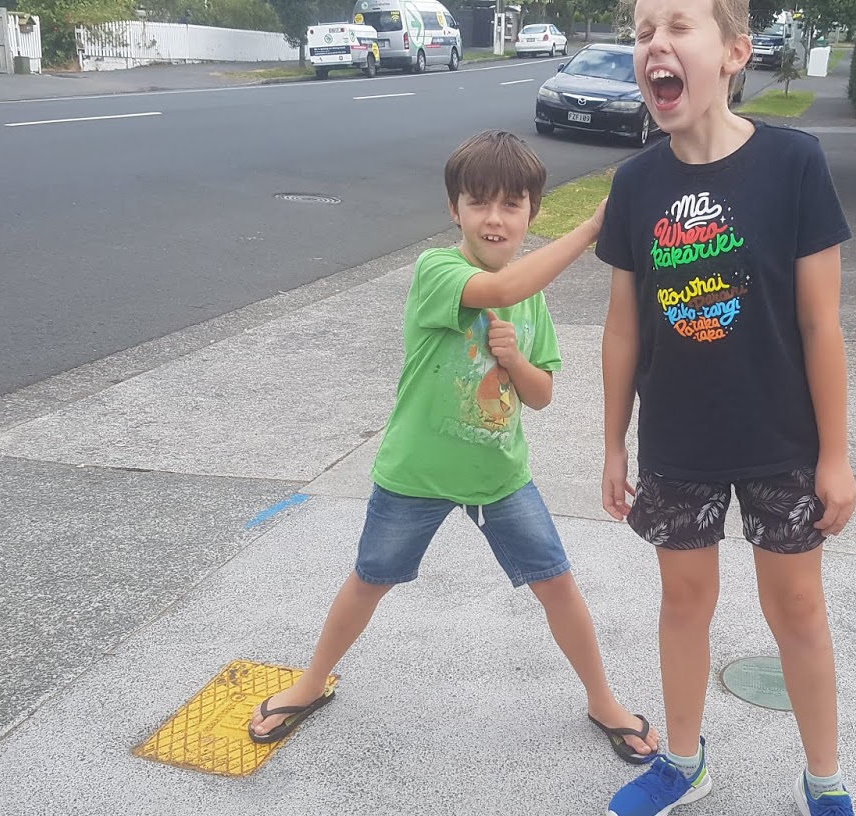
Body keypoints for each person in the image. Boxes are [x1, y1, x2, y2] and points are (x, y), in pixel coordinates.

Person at [248, 131, 660, 767]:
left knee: (557, 584)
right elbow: (498, 290)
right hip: (416, 474)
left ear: (532, 212)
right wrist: (590, 230)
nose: (494, 219)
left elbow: (542, 394)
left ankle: (603, 701)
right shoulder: (437, 271)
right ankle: (309, 684)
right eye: (478, 203)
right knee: (370, 579)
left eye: (511, 205)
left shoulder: (533, 296)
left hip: (499, 476)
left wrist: (515, 361)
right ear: (454, 210)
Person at [594, 0, 856, 816]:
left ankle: (825, 787)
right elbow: (623, 330)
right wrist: (613, 443)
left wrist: (835, 454)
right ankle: (683, 762)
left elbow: (822, 324)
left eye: (677, 25)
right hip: (679, 438)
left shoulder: (794, 163)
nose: (655, 45)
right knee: (684, 603)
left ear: (735, 53)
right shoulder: (635, 185)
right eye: (643, 32)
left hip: (782, 438)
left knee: (799, 612)